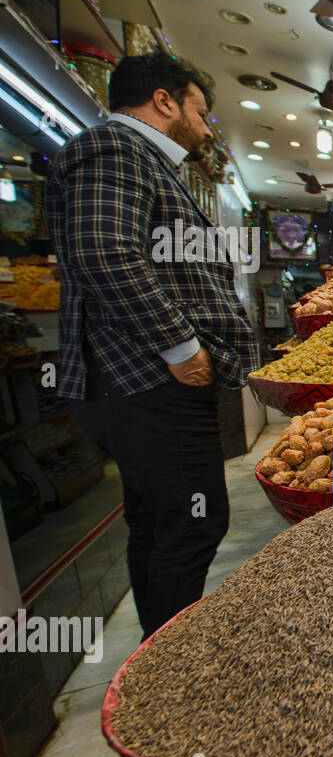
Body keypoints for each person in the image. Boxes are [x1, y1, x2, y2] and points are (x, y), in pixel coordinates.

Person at [45, 53, 258, 637]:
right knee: (192, 525)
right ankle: (173, 675)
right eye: (201, 111)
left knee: (161, 524)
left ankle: (156, 659)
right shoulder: (113, 149)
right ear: (166, 101)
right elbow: (105, 254)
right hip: (144, 379)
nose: (207, 127)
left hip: (141, 382)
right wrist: (181, 348)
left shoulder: (141, 159)